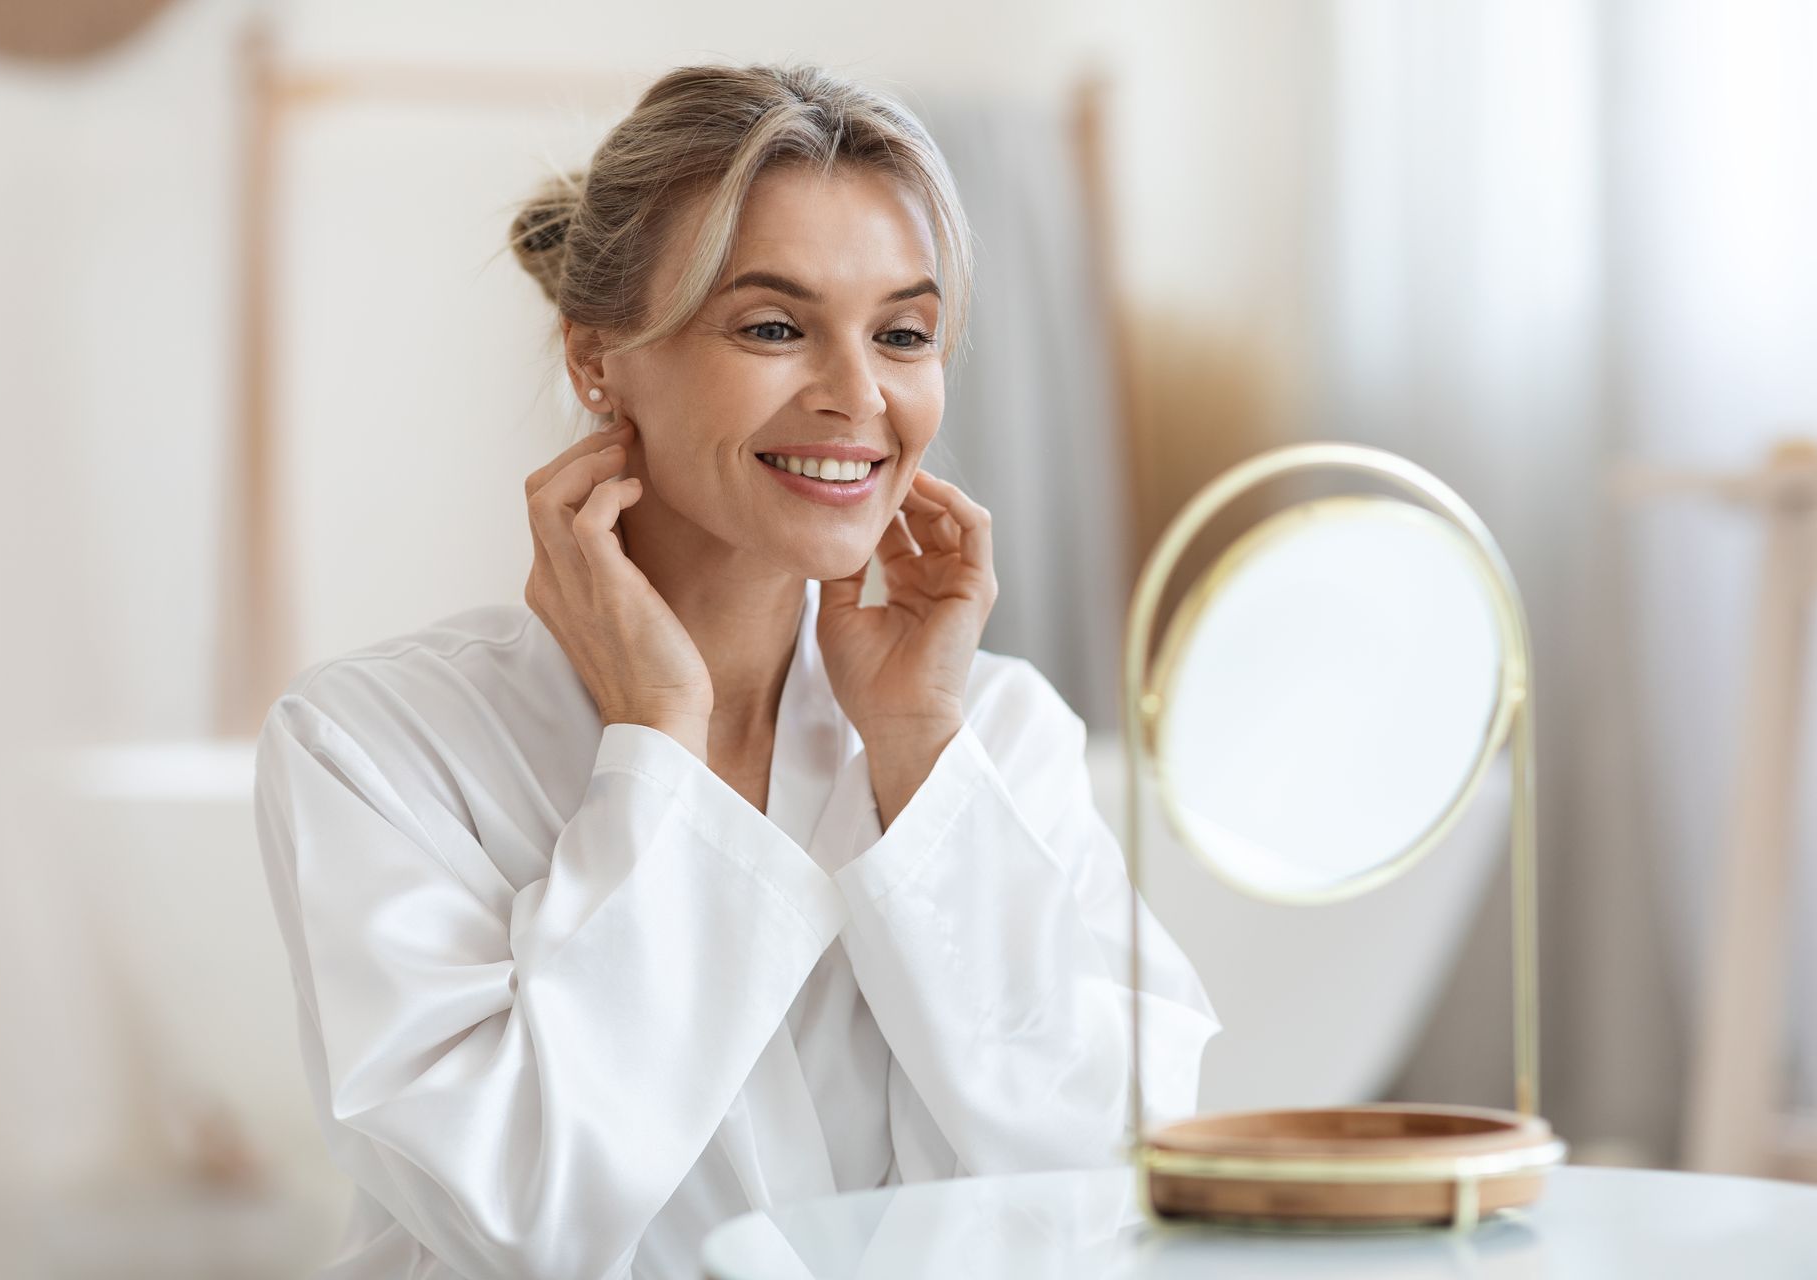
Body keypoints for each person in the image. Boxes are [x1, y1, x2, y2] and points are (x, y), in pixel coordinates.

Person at [253, 60, 1220, 1280]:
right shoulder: (375, 746)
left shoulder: (996, 732)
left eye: (905, 334)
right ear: (598, 358)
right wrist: (659, 743)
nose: (859, 396)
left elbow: (1110, 1182)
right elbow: (527, 1213)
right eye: (773, 326)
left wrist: (921, 749)